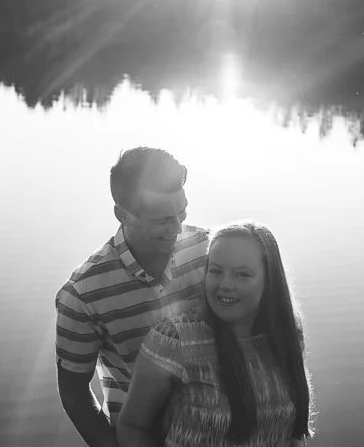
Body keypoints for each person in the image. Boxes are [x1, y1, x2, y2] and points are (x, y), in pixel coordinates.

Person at [56, 147, 209, 447]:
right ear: (121, 214)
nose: (177, 228)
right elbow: (74, 395)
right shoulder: (82, 294)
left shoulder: (208, 250)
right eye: (161, 219)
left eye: (181, 212)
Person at [117, 221, 314, 447]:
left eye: (242, 274)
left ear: (269, 280)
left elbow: (294, 434)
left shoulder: (286, 332)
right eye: (216, 271)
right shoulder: (174, 338)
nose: (225, 284)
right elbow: (132, 426)